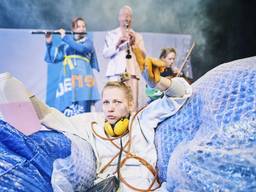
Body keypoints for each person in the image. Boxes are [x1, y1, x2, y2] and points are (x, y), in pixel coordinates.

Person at [45, 17, 100, 116]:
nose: (82, 29)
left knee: (83, 111)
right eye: (78, 27)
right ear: (73, 30)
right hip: (69, 81)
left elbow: (82, 49)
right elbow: (52, 59)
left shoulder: (88, 43)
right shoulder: (66, 46)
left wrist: (65, 37)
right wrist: (49, 43)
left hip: (83, 81)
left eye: (84, 26)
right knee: (68, 110)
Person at [103, 5, 146, 112]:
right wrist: (117, 44)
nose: (126, 18)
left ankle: (131, 126)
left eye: (129, 16)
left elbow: (143, 56)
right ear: (119, 17)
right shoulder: (111, 34)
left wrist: (134, 43)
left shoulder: (137, 36)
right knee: (114, 100)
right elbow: (105, 53)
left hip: (132, 73)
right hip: (115, 73)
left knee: (132, 104)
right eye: (124, 15)